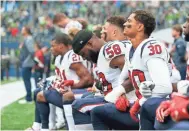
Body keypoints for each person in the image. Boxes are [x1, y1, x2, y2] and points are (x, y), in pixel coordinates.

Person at [28, 33, 94, 130]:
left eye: (53, 46)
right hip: (67, 91)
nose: (51, 48)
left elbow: (88, 79)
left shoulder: (72, 56)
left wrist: (71, 87)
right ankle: (41, 127)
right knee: (39, 91)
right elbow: (61, 78)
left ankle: (44, 128)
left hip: (78, 93)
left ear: (61, 46)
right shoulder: (59, 58)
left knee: (40, 95)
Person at [120, 10, 172, 130]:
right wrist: (122, 95)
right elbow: (123, 78)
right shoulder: (130, 48)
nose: (124, 24)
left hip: (159, 107)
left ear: (140, 26)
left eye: (129, 21)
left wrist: (140, 101)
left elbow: (165, 87)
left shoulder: (151, 46)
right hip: (144, 105)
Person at [19, 26, 35, 104]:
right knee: (26, 80)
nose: (21, 30)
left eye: (22, 29)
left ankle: (29, 98)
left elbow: (31, 51)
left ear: (26, 31)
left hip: (27, 63)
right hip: (26, 62)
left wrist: (29, 61)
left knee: (26, 80)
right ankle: (28, 97)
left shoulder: (29, 39)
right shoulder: (27, 39)